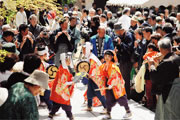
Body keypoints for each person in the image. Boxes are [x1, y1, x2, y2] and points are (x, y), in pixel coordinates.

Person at [148, 38, 180, 120]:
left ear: (161, 49)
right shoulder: (176, 57)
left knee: (168, 114)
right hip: (176, 90)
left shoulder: (167, 62)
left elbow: (155, 78)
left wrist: (151, 65)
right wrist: (158, 64)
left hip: (169, 91)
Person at [98, 50, 132, 119]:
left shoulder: (114, 66)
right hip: (108, 84)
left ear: (112, 57)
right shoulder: (103, 66)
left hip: (116, 85)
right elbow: (100, 75)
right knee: (108, 99)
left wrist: (112, 84)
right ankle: (108, 113)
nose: (107, 57)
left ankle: (128, 111)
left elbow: (115, 76)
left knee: (121, 98)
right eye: (105, 56)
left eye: (109, 56)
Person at [82, 42, 107, 112]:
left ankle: (106, 107)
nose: (83, 51)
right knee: (89, 92)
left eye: (84, 49)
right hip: (92, 78)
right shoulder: (89, 57)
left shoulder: (92, 58)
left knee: (98, 93)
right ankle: (89, 106)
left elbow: (94, 69)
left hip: (96, 78)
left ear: (87, 49)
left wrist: (89, 74)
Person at [49, 53, 74, 120]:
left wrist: (71, 79)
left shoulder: (63, 68)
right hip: (62, 91)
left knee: (57, 104)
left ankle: (51, 113)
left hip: (59, 91)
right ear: (64, 61)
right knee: (66, 105)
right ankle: (70, 116)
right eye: (67, 60)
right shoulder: (62, 70)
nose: (69, 61)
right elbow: (63, 83)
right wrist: (72, 82)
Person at [114, 23, 134, 99]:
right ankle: (122, 93)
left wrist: (120, 43)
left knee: (126, 78)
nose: (116, 33)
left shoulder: (128, 36)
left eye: (116, 31)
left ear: (120, 30)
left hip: (128, 60)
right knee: (122, 77)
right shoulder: (120, 36)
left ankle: (127, 95)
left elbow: (129, 48)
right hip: (122, 59)